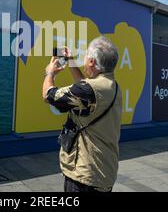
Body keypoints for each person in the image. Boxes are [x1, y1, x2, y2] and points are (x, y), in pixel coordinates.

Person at [42, 36, 122, 192]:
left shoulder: (88, 91)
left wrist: (49, 74)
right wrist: (71, 61)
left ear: (91, 61)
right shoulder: (111, 85)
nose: (84, 60)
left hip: (84, 176)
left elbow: (48, 95)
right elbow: (86, 86)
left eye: (85, 56)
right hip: (103, 171)